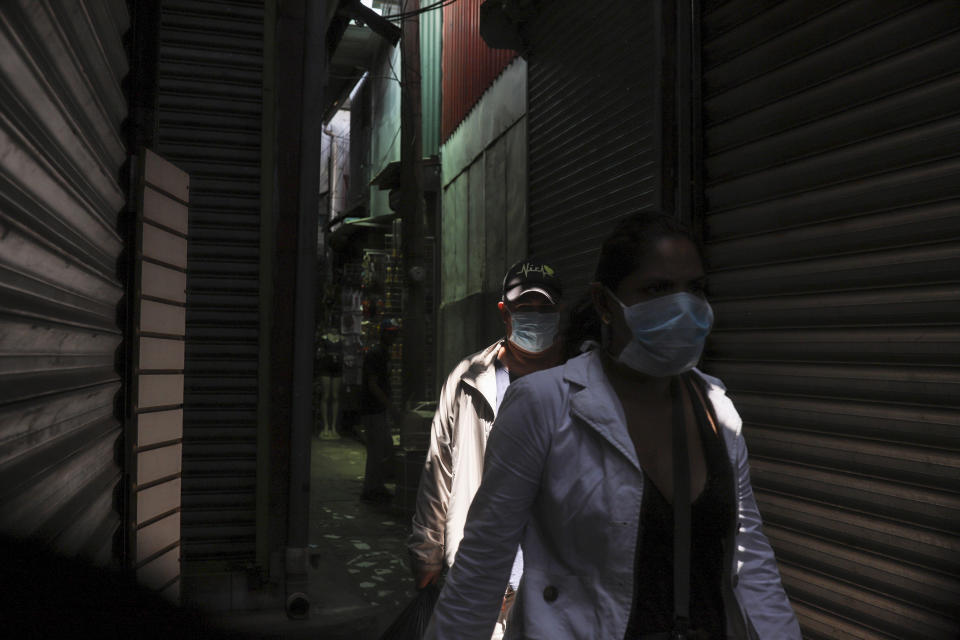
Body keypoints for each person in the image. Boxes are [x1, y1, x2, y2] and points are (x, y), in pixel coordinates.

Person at [424, 213, 801, 639]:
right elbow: (479, 573)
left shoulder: (718, 411)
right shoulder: (544, 405)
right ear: (605, 304)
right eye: (658, 289)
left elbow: (752, 564)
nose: (683, 306)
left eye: (694, 288)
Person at [408, 259, 566, 639]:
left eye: (544, 309)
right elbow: (439, 471)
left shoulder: (579, 381)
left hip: (554, 585)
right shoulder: (467, 381)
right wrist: (425, 552)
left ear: (561, 313)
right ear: (504, 312)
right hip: (481, 580)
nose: (535, 317)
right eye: (524, 308)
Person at [360, 319, 402, 502]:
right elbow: (373, 384)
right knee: (377, 449)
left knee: (381, 448)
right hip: (373, 409)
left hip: (377, 408)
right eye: (390, 333)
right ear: (383, 334)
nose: (392, 336)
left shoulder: (382, 354)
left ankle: (376, 486)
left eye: (394, 333)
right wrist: (389, 406)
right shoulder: (376, 355)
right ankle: (371, 488)